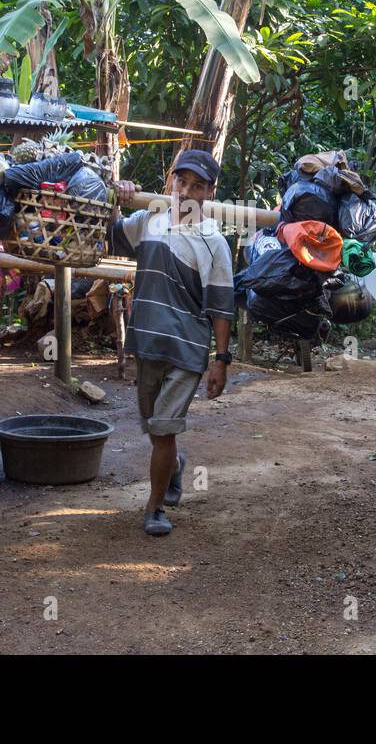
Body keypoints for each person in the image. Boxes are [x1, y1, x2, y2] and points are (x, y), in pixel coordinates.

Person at [110, 150, 234, 537]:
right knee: (152, 426)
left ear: (210, 192)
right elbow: (109, 234)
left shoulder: (214, 242)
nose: (187, 191)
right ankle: (174, 466)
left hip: (186, 349)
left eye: (198, 186)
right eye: (182, 182)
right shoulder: (149, 219)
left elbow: (221, 308)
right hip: (146, 343)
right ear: (171, 181)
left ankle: (155, 508)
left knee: (163, 429)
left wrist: (221, 360)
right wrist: (116, 196)